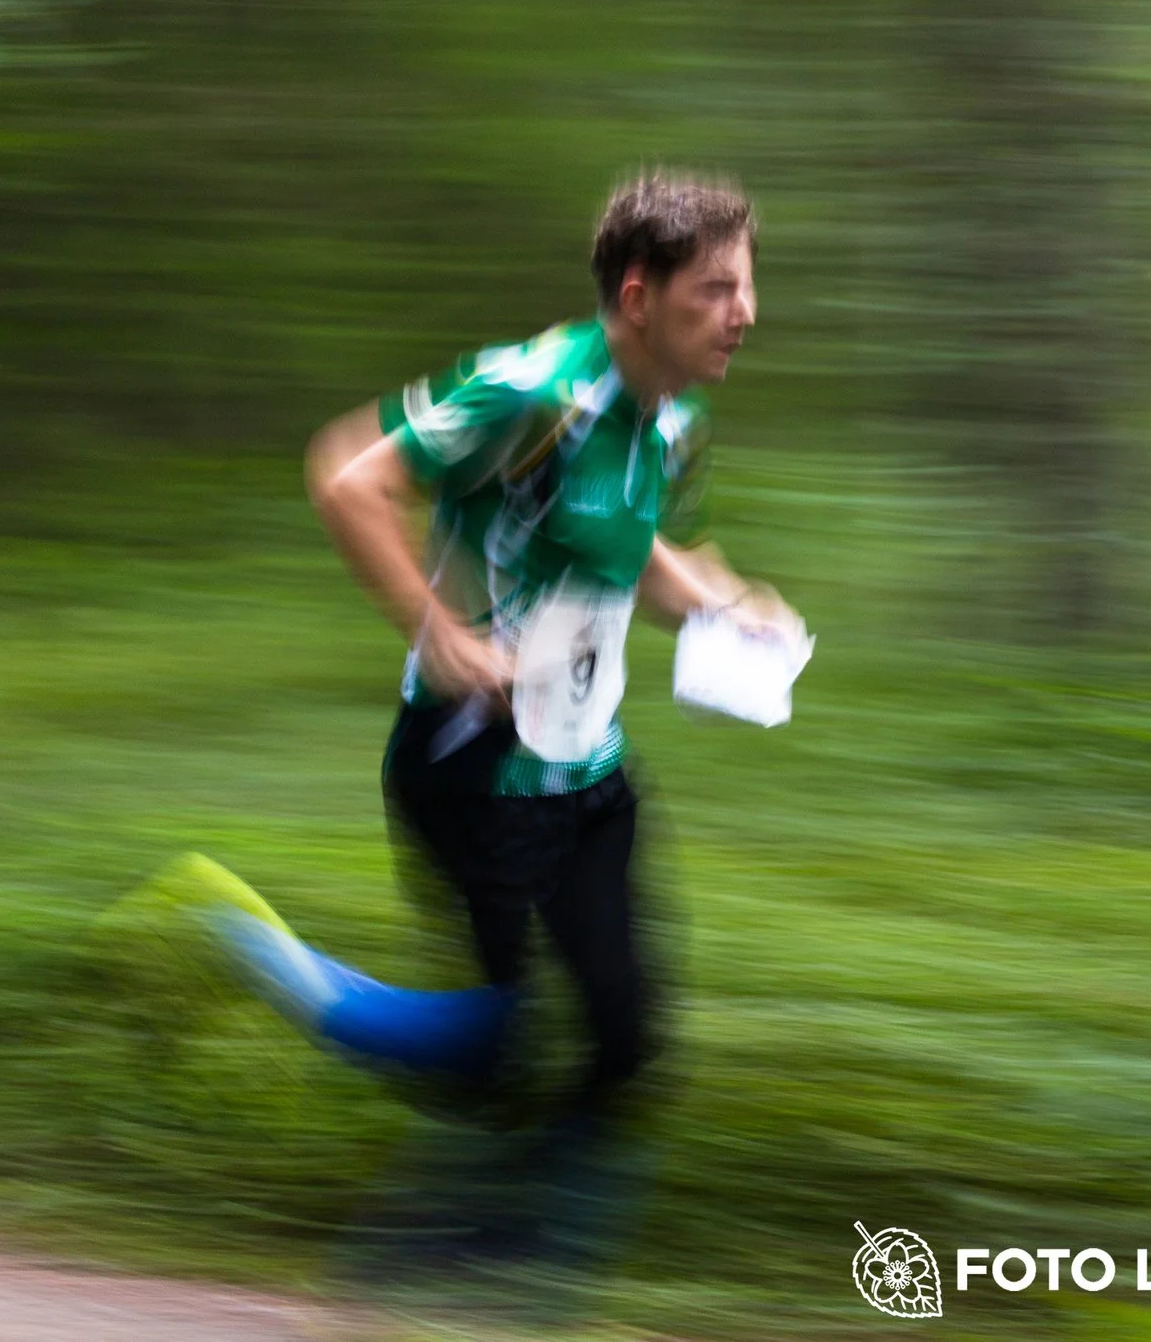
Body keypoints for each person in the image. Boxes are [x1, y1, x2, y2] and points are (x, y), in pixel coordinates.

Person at [302, 171, 798, 1125]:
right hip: (472, 759)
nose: (745, 312)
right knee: (498, 1050)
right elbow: (347, 479)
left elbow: (632, 549)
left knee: (629, 1038)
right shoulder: (529, 392)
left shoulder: (677, 418)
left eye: (746, 285)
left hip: (584, 761)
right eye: (717, 289)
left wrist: (729, 601)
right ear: (639, 296)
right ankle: (286, 976)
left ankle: (543, 1208)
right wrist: (437, 632)